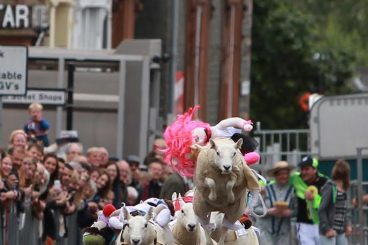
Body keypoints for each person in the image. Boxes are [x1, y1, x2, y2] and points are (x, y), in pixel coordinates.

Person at [255, 161, 296, 245]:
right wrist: (269, 211)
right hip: (266, 230)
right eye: (281, 174)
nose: (284, 176)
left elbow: (299, 210)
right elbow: (255, 209)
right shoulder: (265, 189)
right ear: (275, 175)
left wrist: (290, 213)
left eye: (286, 173)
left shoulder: (293, 190)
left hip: (284, 232)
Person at [290, 156, 328, 245]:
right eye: (302, 169)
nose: (303, 172)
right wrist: (261, 185)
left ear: (314, 169)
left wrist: (314, 198)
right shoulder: (296, 178)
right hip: (303, 225)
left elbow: (329, 203)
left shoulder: (325, 181)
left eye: (307, 169)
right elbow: (276, 181)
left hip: (321, 224)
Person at [319, 159, 352, 245]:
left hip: (341, 231)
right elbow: (322, 209)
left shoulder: (344, 189)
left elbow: (344, 211)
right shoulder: (329, 187)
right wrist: (327, 229)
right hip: (329, 231)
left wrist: (348, 225)